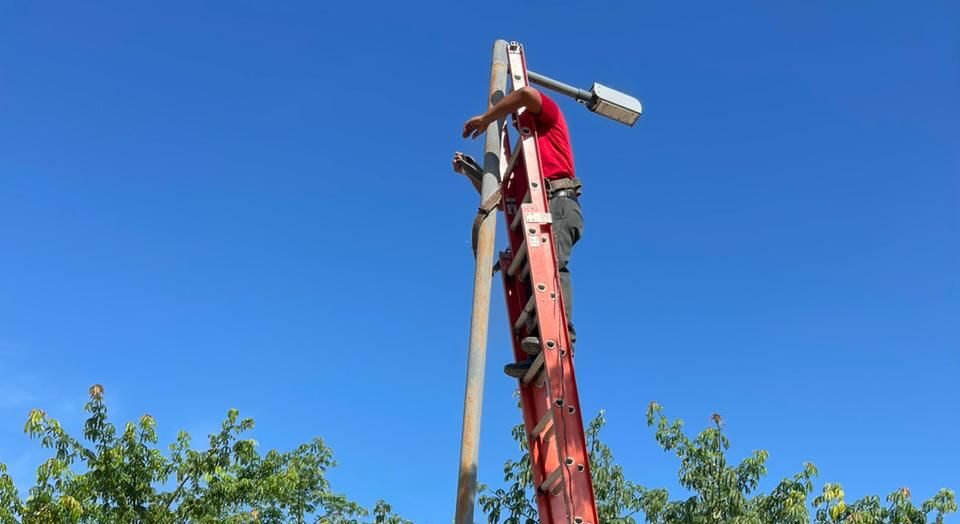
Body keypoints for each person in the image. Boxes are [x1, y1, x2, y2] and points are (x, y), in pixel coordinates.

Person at [458, 86, 583, 378]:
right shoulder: (527, 165)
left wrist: (487, 118)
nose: (515, 123)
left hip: (559, 201)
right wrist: (469, 172)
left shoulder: (548, 122)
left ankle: (561, 339)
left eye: (515, 117)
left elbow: (527, 94)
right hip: (540, 206)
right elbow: (502, 202)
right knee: (531, 275)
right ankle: (539, 348)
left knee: (552, 265)